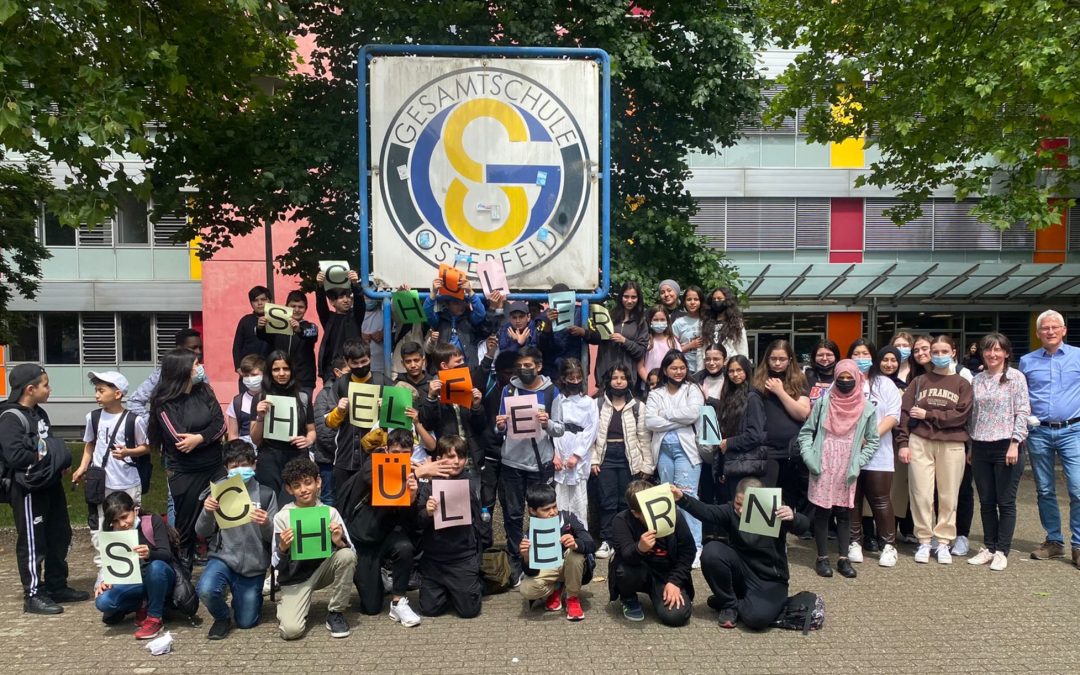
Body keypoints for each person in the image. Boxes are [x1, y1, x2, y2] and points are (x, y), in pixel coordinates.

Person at [1, 364, 87, 614]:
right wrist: (52, 455)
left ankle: (56, 585)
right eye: (45, 384)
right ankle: (33, 595)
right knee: (32, 541)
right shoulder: (10, 418)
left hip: (50, 484)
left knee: (60, 534)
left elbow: (44, 445)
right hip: (28, 489)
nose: (50, 389)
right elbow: (17, 456)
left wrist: (53, 457)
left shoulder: (39, 414)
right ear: (30, 389)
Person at [675, 477, 811, 629]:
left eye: (745, 506)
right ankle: (729, 605)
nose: (739, 510)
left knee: (756, 620)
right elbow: (706, 512)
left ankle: (735, 601)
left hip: (770, 579)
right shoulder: (730, 511)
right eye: (737, 503)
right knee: (711, 551)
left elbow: (804, 526)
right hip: (741, 571)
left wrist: (793, 517)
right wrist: (681, 498)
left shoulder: (775, 513)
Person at [895, 335, 973, 565]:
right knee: (921, 493)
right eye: (935, 352)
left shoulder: (962, 383)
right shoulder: (919, 382)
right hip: (920, 441)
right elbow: (905, 413)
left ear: (953, 353)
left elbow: (961, 416)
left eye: (943, 351)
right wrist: (903, 443)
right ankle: (924, 540)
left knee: (949, 495)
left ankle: (944, 541)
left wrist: (929, 415)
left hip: (952, 443)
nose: (939, 356)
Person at [147, 348, 227, 570]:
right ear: (181, 369)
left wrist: (200, 438)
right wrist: (205, 437)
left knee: (224, 518)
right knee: (185, 528)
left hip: (215, 467)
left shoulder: (205, 391)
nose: (199, 368)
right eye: (194, 364)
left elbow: (221, 426)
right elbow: (180, 441)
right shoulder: (164, 403)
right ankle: (182, 575)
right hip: (185, 472)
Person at [799, 360, 880, 579]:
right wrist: (809, 458)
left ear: (857, 379)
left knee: (844, 513)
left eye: (849, 378)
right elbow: (806, 433)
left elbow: (873, 440)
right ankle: (822, 557)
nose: (845, 382)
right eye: (841, 378)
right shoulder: (825, 402)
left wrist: (858, 462)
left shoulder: (866, 408)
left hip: (847, 467)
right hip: (823, 464)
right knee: (823, 512)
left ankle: (843, 558)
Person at [335, 429, 422, 627]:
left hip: (387, 536)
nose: (400, 458)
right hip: (363, 539)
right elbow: (382, 482)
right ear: (386, 449)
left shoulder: (410, 476)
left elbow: (411, 522)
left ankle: (398, 600)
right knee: (372, 607)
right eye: (396, 453)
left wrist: (413, 498)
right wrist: (418, 472)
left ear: (412, 452)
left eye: (405, 454)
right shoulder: (371, 465)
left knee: (405, 547)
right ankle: (376, 577)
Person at [495, 346, 565, 581]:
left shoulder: (551, 391)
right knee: (513, 515)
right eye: (521, 366)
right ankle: (517, 560)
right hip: (512, 463)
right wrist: (501, 425)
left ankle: (545, 560)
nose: (524, 369)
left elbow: (560, 429)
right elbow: (498, 427)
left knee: (543, 514)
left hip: (540, 464)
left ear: (539, 366)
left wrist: (547, 424)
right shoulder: (509, 389)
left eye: (528, 365)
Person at [195, 441, 278, 639]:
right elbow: (201, 531)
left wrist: (266, 522)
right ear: (227, 468)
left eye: (245, 465)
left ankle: (245, 599)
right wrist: (207, 511)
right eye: (234, 466)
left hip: (254, 564)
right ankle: (222, 617)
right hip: (223, 558)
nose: (240, 470)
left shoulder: (267, 494)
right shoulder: (218, 491)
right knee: (205, 589)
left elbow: (274, 537)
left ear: (254, 465)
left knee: (246, 622)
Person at [1020, 309, 1080, 568]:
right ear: (1038, 333)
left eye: (1055, 327)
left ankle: (1078, 545)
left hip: (1073, 431)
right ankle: (1054, 541)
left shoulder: (1078, 356)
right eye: (1045, 328)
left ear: (1064, 330)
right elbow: (1022, 395)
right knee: (1044, 489)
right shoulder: (1027, 361)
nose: (1051, 331)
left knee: (1077, 488)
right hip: (1039, 432)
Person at [273, 457, 357, 640]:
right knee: (291, 631)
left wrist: (338, 541)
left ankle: (336, 612)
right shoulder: (282, 517)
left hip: (322, 570)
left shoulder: (330, 512)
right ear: (289, 489)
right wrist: (283, 548)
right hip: (295, 578)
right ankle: (287, 604)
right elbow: (275, 564)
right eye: (296, 485)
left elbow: (352, 552)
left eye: (307, 482)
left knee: (347, 555)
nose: (303, 490)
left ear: (318, 482)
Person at [72, 371, 149, 567]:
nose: (97, 395)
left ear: (118, 394)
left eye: (101, 390)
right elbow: (90, 444)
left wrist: (128, 452)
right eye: (96, 390)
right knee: (100, 524)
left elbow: (146, 447)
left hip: (127, 481)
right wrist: (83, 467)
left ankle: (131, 567)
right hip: (100, 482)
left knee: (127, 524)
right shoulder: (93, 417)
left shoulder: (133, 420)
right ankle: (104, 569)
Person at [968, 333, 1030, 571]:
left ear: (1006, 353)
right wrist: (972, 446)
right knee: (985, 501)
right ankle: (989, 547)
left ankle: (1002, 550)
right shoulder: (978, 379)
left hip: (1007, 445)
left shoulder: (1016, 378)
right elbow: (974, 415)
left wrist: (1015, 442)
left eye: (997, 350)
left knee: (1005, 502)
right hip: (981, 445)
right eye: (988, 350)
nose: (992, 354)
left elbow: (1023, 411)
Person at [645, 351, 706, 565]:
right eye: (674, 368)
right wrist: (679, 418)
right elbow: (650, 422)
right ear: (665, 370)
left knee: (688, 497)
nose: (678, 372)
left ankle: (696, 546)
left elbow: (693, 414)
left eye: (682, 368)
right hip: (663, 451)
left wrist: (666, 414)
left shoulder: (693, 389)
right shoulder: (656, 393)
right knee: (668, 499)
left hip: (686, 450)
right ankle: (675, 545)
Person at [608, 479, 695, 626]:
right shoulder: (621, 520)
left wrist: (675, 581)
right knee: (623, 571)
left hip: (666, 573)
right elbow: (626, 554)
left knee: (676, 617)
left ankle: (665, 594)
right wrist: (640, 548)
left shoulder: (674, 516)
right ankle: (628, 598)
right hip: (637, 570)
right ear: (636, 513)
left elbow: (688, 551)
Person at [846, 341, 902, 568]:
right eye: (856, 354)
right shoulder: (844, 381)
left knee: (880, 499)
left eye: (865, 353)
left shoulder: (884, 383)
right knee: (852, 499)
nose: (861, 358)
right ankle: (854, 542)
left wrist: (870, 436)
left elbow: (893, 415)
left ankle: (889, 545)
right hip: (848, 451)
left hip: (878, 451)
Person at [415, 436, 484, 618]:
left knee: (469, 611)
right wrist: (428, 513)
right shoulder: (428, 486)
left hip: (462, 558)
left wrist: (478, 557)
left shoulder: (468, 483)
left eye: (460, 457)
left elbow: (479, 523)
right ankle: (447, 590)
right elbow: (418, 521)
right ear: (438, 459)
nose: (456, 462)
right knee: (429, 610)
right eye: (450, 457)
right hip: (434, 560)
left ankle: (469, 585)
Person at [591, 365, 653, 560]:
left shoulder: (637, 406)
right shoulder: (598, 404)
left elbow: (644, 438)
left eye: (623, 378)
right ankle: (607, 540)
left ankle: (624, 541)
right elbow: (591, 436)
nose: (619, 381)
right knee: (607, 501)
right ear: (608, 381)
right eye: (615, 377)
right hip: (606, 456)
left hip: (629, 457)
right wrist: (593, 459)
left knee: (625, 501)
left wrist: (646, 465)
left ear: (629, 381)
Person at [93, 492, 174, 639]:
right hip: (134, 582)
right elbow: (109, 564)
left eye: (124, 517)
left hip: (160, 577)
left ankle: (154, 618)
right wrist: (103, 582)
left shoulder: (151, 521)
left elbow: (167, 555)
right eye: (115, 521)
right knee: (103, 601)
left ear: (135, 510)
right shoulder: (112, 532)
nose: (122, 524)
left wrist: (150, 553)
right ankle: (142, 604)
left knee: (156, 567)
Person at [518, 483, 595, 622]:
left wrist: (576, 543)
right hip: (551, 569)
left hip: (573, 566)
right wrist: (526, 557)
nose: (552, 512)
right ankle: (557, 589)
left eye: (554, 506)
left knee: (575, 555)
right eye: (546, 509)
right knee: (526, 589)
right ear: (533, 511)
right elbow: (530, 572)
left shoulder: (568, 518)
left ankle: (572, 597)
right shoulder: (531, 531)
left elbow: (590, 544)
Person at [323, 338, 393, 491]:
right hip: (345, 457)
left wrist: (388, 409)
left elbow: (403, 419)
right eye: (355, 363)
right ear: (347, 362)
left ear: (370, 358)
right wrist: (339, 410)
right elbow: (328, 422)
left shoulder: (384, 382)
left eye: (364, 361)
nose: (360, 366)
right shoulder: (340, 384)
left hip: (377, 457)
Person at [250, 351, 317, 503]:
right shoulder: (260, 397)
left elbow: (311, 430)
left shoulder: (303, 397)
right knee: (270, 503)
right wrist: (260, 416)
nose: (281, 373)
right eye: (276, 369)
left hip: (297, 456)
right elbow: (255, 439)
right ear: (269, 371)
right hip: (269, 458)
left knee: (297, 502)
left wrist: (308, 440)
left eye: (286, 369)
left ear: (292, 370)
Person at [754, 339, 811, 512]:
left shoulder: (799, 381)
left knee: (787, 501)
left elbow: (802, 413)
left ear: (790, 360)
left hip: (790, 451)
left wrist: (780, 392)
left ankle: (782, 538)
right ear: (767, 359)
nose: (777, 363)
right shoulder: (757, 381)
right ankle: (766, 539)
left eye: (782, 359)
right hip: (766, 450)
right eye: (773, 359)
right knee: (766, 499)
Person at [552, 358, 597, 524]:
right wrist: (555, 455)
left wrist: (577, 455)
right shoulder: (558, 401)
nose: (575, 382)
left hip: (578, 447)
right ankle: (561, 535)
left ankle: (581, 539)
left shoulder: (589, 403)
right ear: (564, 379)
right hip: (561, 444)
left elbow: (591, 431)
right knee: (560, 497)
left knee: (579, 499)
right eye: (572, 379)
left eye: (578, 378)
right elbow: (553, 429)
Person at [713, 355, 767, 490]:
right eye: (731, 371)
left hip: (747, 464)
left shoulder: (753, 397)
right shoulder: (728, 396)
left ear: (747, 371)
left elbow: (755, 435)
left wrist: (729, 443)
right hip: (732, 462)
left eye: (739, 370)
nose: (735, 374)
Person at [585, 280, 648, 390]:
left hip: (627, 378)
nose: (629, 301)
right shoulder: (609, 316)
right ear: (620, 297)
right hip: (605, 374)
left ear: (639, 299)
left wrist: (624, 341)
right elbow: (597, 338)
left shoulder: (641, 322)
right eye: (626, 296)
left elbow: (640, 351)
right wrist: (584, 333)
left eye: (633, 297)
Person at [258, 289, 319, 398]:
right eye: (293, 306)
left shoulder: (311, 326)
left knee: (302, 412)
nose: (296, 310)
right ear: (286, 307)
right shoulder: (275, 326)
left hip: (304, 380)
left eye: (300, 307)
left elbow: (312, 335)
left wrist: (299, 330)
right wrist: (260, 327)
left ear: (306, 309)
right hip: (278, 379)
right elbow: (261, 335)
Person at [692, 343, 728, 515]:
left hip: (726, 434)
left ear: (724, 360)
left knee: (722, 486)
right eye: (708, 359)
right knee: (705, 484)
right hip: (702, 434)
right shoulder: (696, 379)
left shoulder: (731, 377)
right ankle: (707, 530)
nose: (712, 363)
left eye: (716, 359)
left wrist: (712, 402)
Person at [422, 273, 488, 366]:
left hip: (467, 366)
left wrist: (470, 291)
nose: (461, 306)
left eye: (463, 302)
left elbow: (481, 313)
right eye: (456, 303)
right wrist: (433, 292)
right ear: (447, 305)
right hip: (445, 366)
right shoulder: (440, 319)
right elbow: (426, 313)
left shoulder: (469, 318)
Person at [314, 267, 365, 384]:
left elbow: (360, 303)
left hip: (354, 367)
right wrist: (320, 286)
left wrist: (354, 284)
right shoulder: (329, 319)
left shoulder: (355, 317)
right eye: (341, 297)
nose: (346, 300)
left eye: (348, 296)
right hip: (331, 370)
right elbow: (321, 305)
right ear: (332, 302)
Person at [312, 355, 347, 506]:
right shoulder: (325, 395)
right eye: (349, 370)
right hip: (328, 461)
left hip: (349, 462)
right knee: (329, 500)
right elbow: (324, 432)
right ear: (338, 373)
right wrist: (346, 448)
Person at [536, 282, 589, 379]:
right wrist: (548, 323)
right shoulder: (543, 316)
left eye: (564, 298)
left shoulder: (581, 312)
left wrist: (582, 332)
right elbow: (540, 345)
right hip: (552, 369)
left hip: (575, 369)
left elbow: (597, 338)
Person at [233, 285, 273, 391]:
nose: (259, 303)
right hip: (248, 372)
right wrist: (238, 368)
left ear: (270, 301)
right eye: (255, 300)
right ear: (251, 303)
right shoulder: (245, 321)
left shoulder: (276, 321)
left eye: (263, 299)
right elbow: (237, 346)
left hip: (269, 372)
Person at [226, 354, 265, 449]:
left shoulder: (273, 397)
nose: (250, 379)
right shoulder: (237, 402)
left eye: (254, 375)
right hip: (245, 454)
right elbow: (233, 435)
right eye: (246, 375)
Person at [701, 286, 748, 358]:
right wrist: (700, 368)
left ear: (727, 301)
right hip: (710, 364)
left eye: (719, 299)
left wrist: (743, 365)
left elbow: (742, 348)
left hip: (729, 365)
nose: (716, 301)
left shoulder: (737, 323)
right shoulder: (705, 323)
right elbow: (701, 350)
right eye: (714, 299)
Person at [639, 305, 679, 385]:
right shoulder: (645, 341)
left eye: (662, 320)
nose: (659, 322)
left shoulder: (673, 341)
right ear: (650, 321)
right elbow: (640, 366)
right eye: (656, 320)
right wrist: (650, 382)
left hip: (670, 386)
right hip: (650, 386)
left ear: (667, 321)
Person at [672, 285, 706, 372]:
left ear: (701, 301)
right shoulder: (678, 323)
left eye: (696, 299)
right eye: (689, 299)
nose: (692, 302)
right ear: (684, 302)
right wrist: (690, 346)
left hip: (706, 366)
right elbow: (672, 350)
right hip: (685, 368)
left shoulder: (707, 321)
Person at [805, 339, 841, 405]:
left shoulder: (842, 376)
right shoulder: (806, 376)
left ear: (836, 357)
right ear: (814, 357)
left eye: (829, 355)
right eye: (820, 355)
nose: (824, 358)